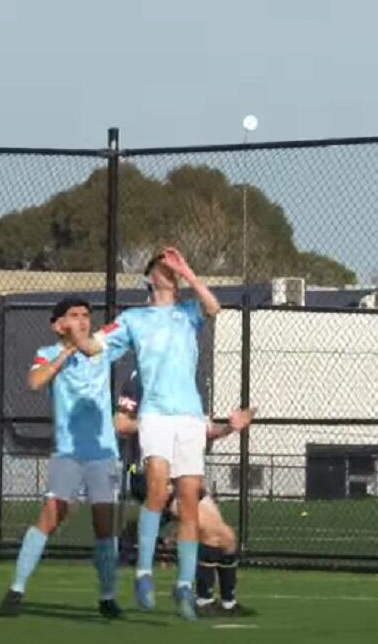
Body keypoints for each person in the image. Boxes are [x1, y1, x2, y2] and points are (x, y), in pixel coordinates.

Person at [87, 247, 220, 620]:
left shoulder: (189, 312)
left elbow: (213, 308)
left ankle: (183, 586)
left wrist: (189, 271)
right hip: (156, 416)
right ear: (150, 277)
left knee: (190, 501)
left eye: (172, 266)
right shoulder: (134, 319)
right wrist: (68, 346)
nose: (170, 269)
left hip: (190, 417)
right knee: (158, 490)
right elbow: (96, 345)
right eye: (163, 266)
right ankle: (144, 573)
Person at [0, 297, 123, 619]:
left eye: (85, 315)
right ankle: (17, 588)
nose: (82, 321)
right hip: (68, 451)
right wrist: (67, 352)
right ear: (58, 325)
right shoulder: (49, 353)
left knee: (104, 524)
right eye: (74, 316)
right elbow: (34, 382)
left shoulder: (102, 348)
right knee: (52, 514)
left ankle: (108, 597)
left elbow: (119, 338)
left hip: (103, 452)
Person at [116, 371, 253, 617]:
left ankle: (228, 604)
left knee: (228, 539)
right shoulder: (141, 376)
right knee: (211, 532)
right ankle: (201, 601)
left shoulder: (187, 380)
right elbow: (121, 424)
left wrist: (229, 428)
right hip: (155, 476)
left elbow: (203, 430)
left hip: (185, 473)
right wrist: (157, 424)